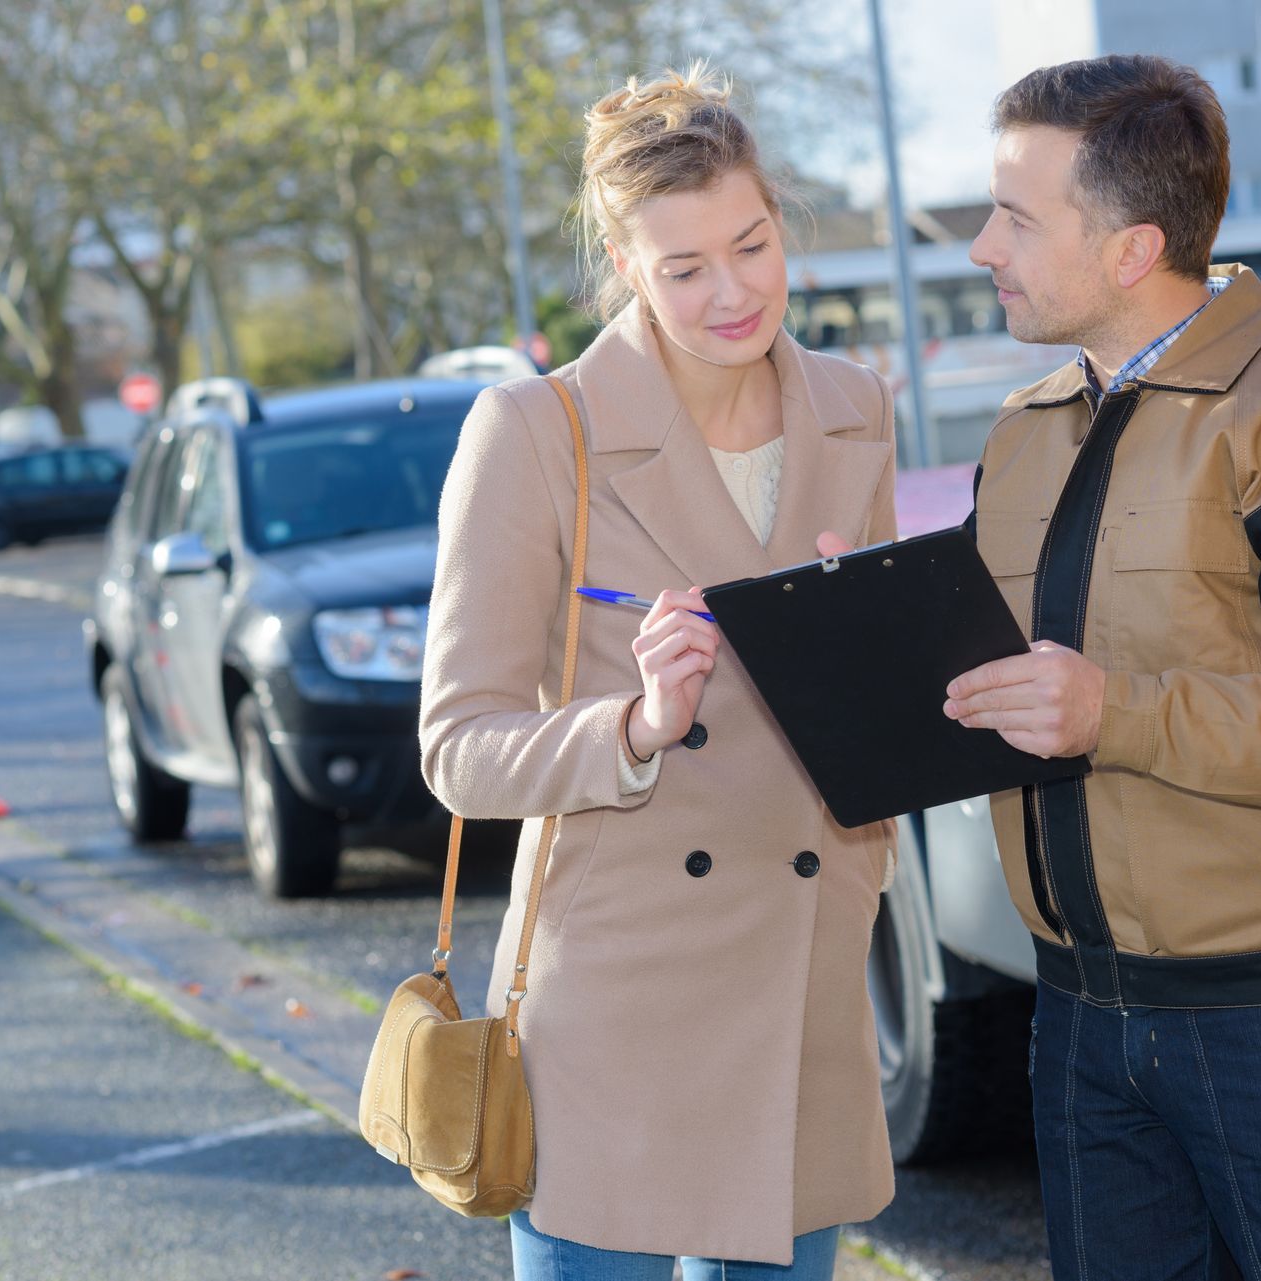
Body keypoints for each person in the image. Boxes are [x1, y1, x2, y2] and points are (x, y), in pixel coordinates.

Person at [943, 56, 1261, 1280]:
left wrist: (1112, 713)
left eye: (1016, 216)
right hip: (1078, 1028)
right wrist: (875, 635)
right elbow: (1003, 693)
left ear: (1133, 249)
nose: (979, 246)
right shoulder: (1021, 436)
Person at [417, 63, 898, 1280]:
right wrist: (634, 724)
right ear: (624, 268)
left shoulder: (854, 409)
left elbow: (883, 715)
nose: (734, 292)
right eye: (684, 269)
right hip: (621, 1004)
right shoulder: (539, 430)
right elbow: (458, 747)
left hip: (801, 971)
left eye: (753, 243)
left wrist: (875, 658)